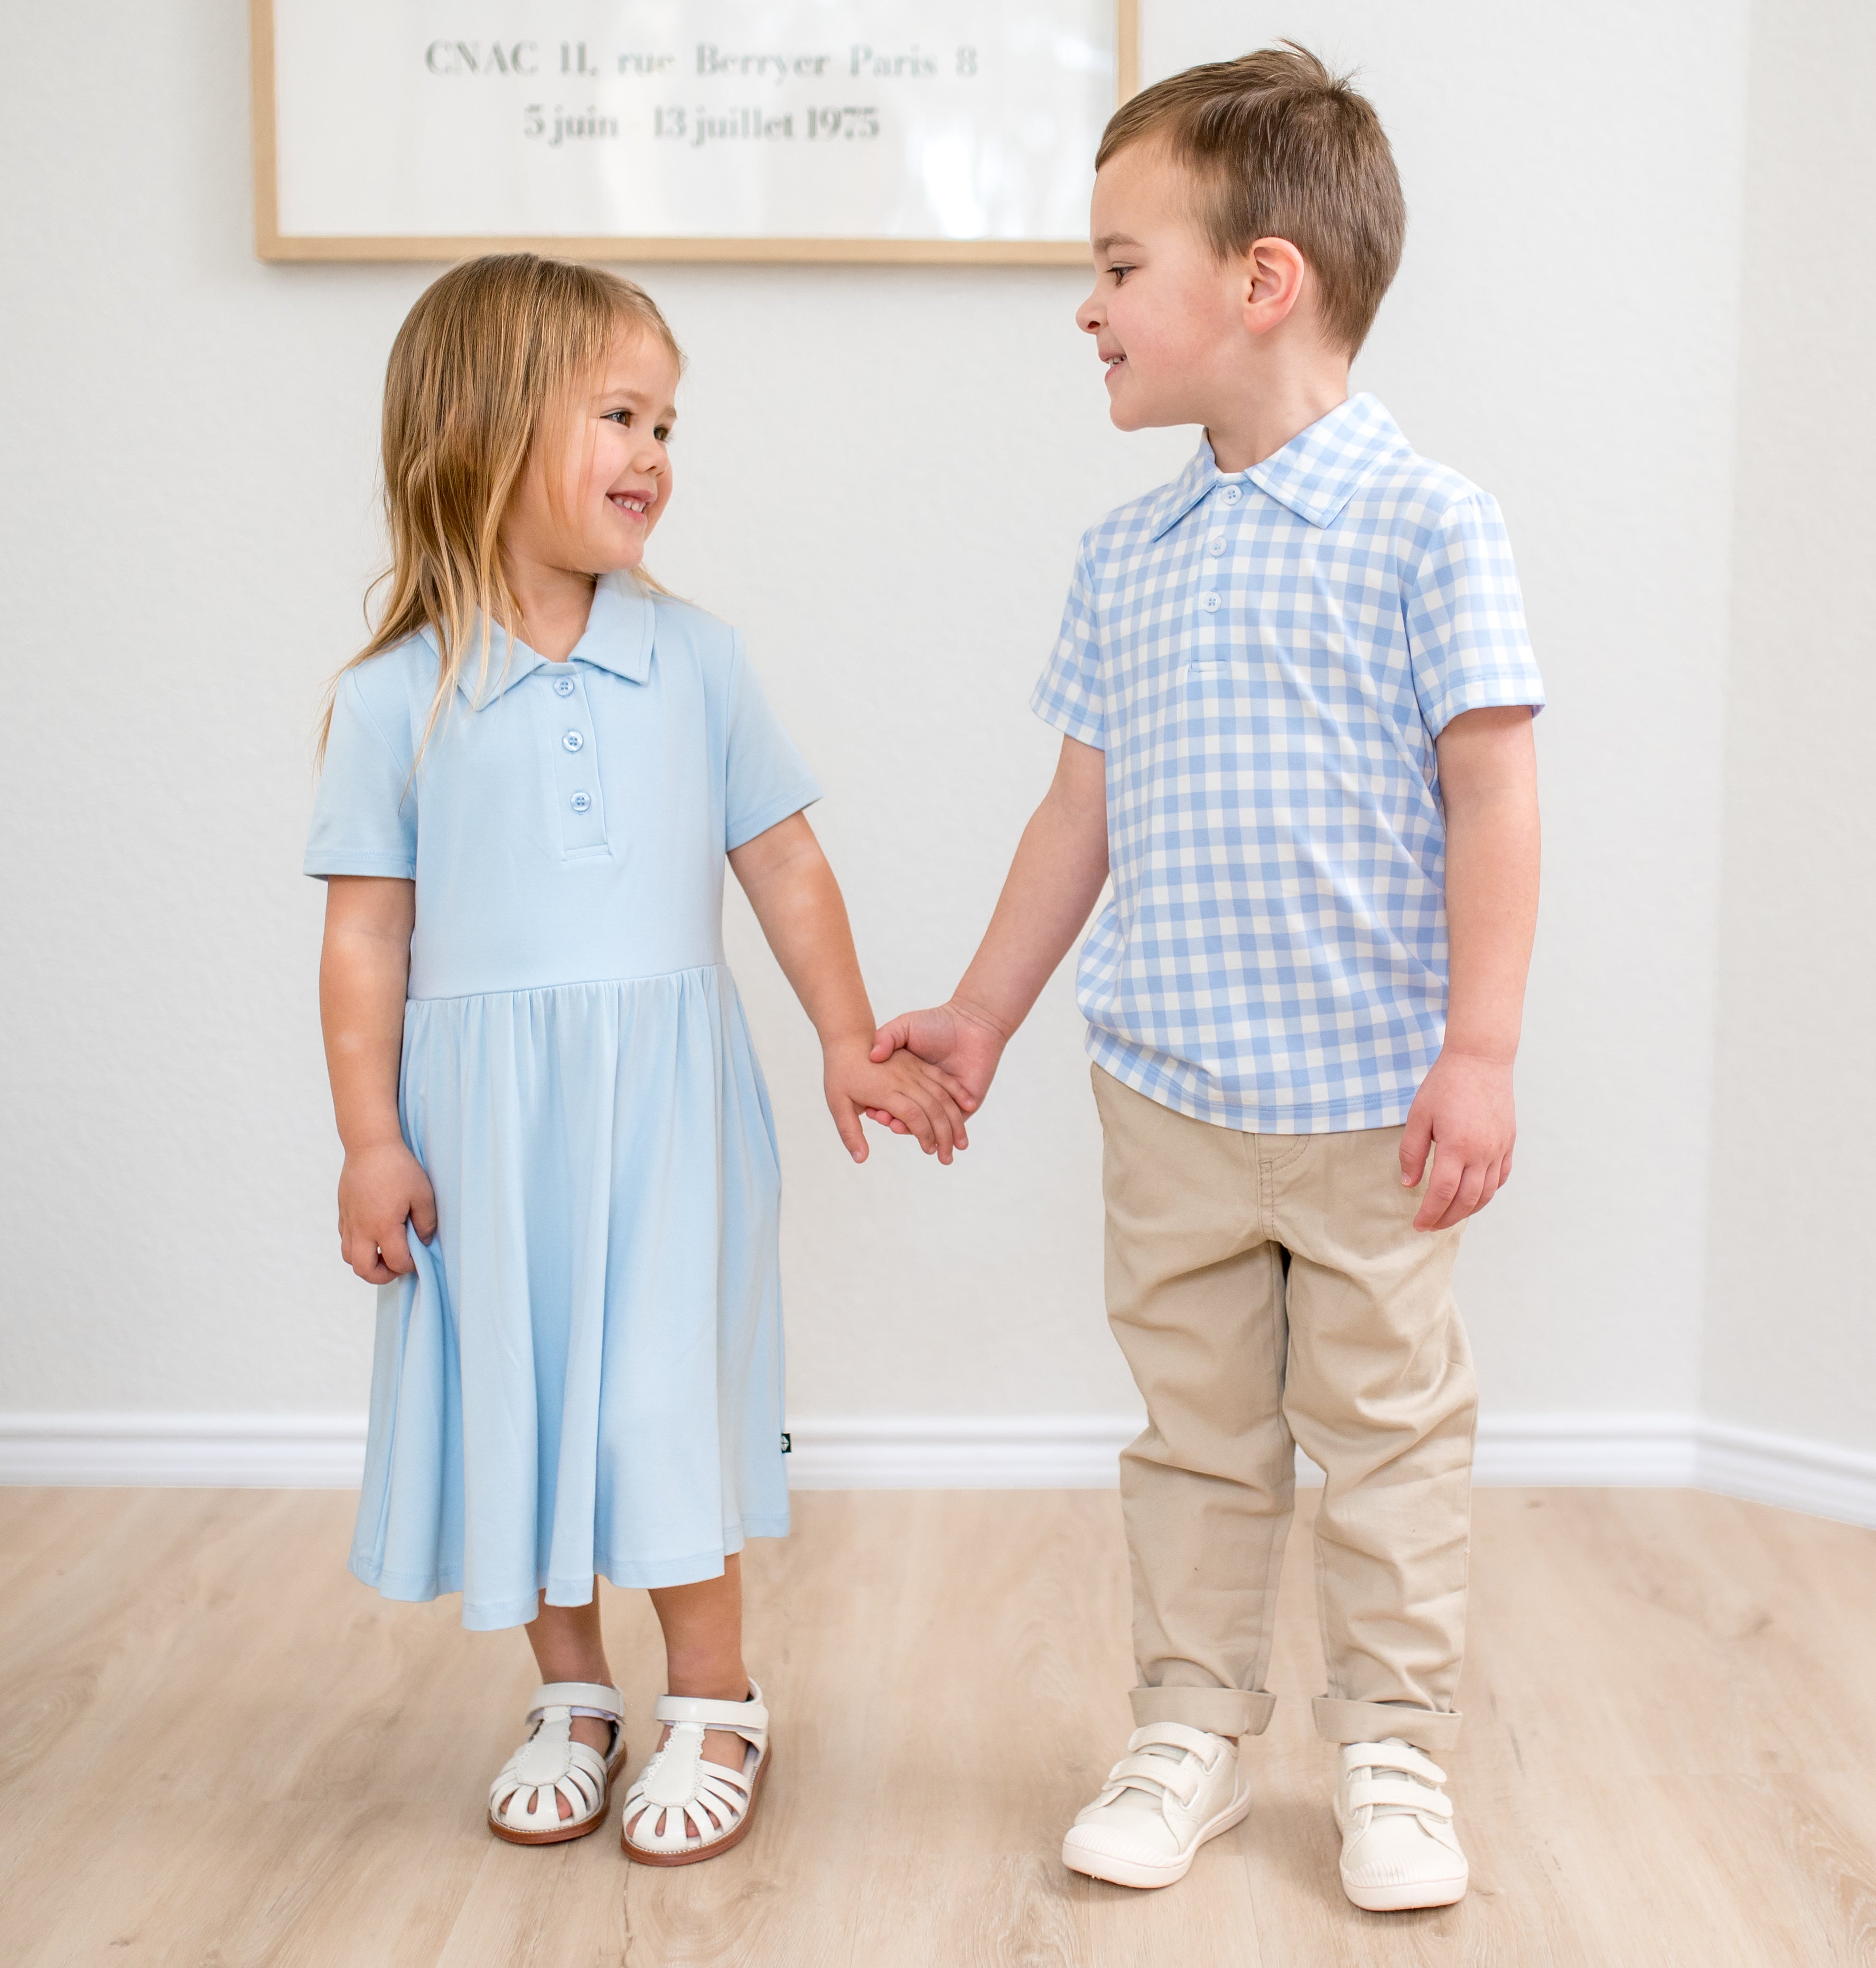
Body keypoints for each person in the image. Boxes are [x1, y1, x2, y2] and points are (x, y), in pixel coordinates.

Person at [869, 46, 1543, 1911]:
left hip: (1371, 1102)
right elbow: (1074, 814)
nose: (1083, 307)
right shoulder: (1128, 556)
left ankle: (1392, 1747)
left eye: (1115, 264)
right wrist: (984, 1016)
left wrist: (1479, 1048)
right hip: (1167, 1093)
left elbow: (1494, 791)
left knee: (1394, 1436)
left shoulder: (1429, 526)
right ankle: (1193, 1721)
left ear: (1262, 282)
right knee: (1197, 1440)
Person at [306, 253, 967, 1863]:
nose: (656, 453)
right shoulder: (395, 696)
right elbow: (366, 940)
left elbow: (786, 864)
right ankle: (575, 1694)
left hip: (665, 1112)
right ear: (482, 430)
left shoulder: (699, 661)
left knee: (658, 1399)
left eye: (668, 421)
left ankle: (719, 1701)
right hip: (486, 1127)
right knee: (526, 1401)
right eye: (618, 414)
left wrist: (842, 1036)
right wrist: (370, 1138)